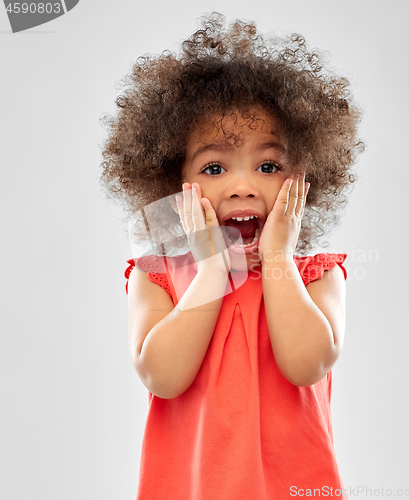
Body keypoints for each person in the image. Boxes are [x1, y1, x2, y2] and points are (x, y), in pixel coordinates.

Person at [100, 12, 363, 500]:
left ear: (301, 180)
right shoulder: (156, 278)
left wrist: (279, 257)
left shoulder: (316, 276)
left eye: (267, 165)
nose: (242, 186)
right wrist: (212, 269)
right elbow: (163, 375)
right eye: (215, 167)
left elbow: (307, 363)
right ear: (172, 183)